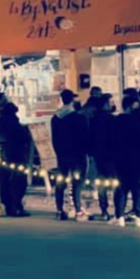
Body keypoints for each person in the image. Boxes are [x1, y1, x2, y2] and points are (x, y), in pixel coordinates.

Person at [112, 92, 140, 228]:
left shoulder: (117, 121)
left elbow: (112, 141)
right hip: (137, 159)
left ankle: (119, 216)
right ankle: (139, 216)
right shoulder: (138, 121)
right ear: (131, 106)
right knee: (138, 187)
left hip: (120, 159)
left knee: (121, 187)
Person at [51, 90, 88, 221]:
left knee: (60, 182)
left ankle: (59, 209)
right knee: (77, 182)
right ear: (72, 100)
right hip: (77, 154)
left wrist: (58, 152)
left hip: (62, 154)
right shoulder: (78, 118)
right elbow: (83, 137)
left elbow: (54, 139)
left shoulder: (55, 118)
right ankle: (78, 209)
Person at [0, 102, 31, 217]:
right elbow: (24, 138)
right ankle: (16, 206)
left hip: (2, 155)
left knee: (4, 181)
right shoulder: (15, 124)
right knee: (18, 181)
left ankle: (8, 206)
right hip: (16, 154)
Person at [89, 94, 119, 221]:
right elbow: (116, 137)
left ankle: (104, 209)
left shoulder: (94, 118)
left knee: (101, 183)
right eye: (111, 102)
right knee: (116, 183)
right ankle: (118, 210)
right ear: (105, 104)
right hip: (111, 155)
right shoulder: (111, 119)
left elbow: (91, 137)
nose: (113, 104)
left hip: (99, 155)